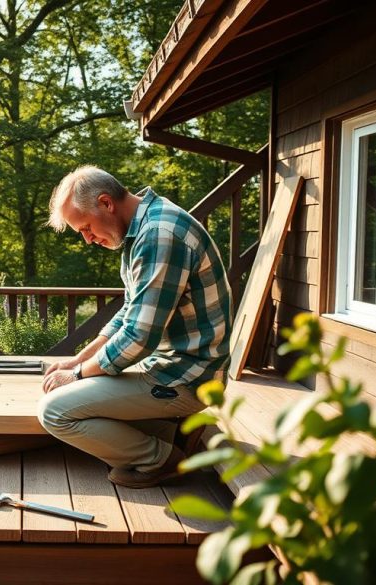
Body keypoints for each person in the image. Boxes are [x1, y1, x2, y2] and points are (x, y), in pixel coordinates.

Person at [38, 165, 232, 488]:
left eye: (86, 228)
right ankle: (176, 433)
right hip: (171, 367)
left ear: (106, 203)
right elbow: (129, 313)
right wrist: (77, 361)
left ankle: (161, 459)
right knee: (77, 389)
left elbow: (138, 337)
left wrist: (76, 375)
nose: (87, 240)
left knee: (54, 412)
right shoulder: (141, 229)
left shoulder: (159, 235)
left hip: (187, 378)